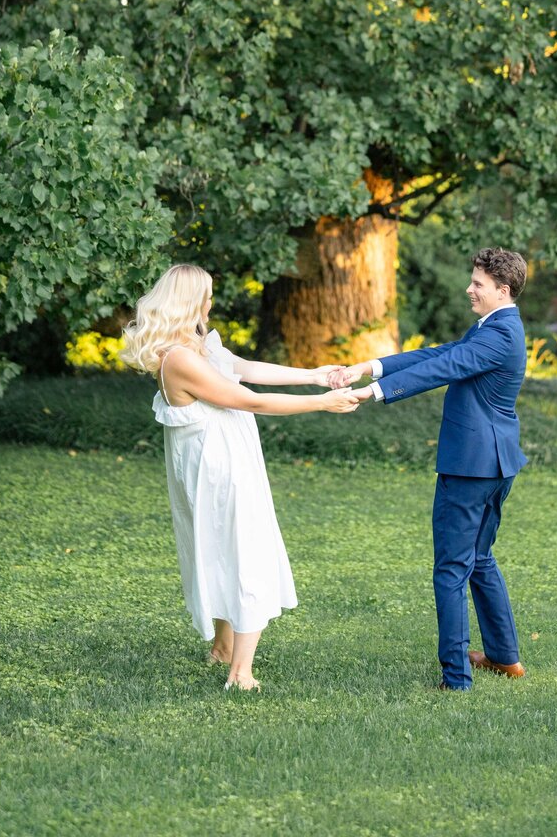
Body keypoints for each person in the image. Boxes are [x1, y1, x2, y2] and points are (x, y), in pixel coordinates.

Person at [121, 262, 362, 691]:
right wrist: (321, 403)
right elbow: (248, 400)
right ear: (190, 301)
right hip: (219, 468)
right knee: (244, 552)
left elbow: (247, 368)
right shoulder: (179, 359)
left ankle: (223, 648)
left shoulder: (197, 346)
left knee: (223, 548)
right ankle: (241, 673)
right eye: (207, 295)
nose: (212, 302)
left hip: (222, 461)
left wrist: (314, 375)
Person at [335, 247, 529, 691]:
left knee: (451, 568)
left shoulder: (499, 334)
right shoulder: (497, 326)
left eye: (478, 283)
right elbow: (442, 352)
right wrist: (371, 366)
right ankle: (503, 658)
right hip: (493, 463)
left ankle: (456, 679)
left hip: (472, 467)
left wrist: (373, 393)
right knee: (478, 558)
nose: (469, 288)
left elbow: (448, 366)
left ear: (502, 290)